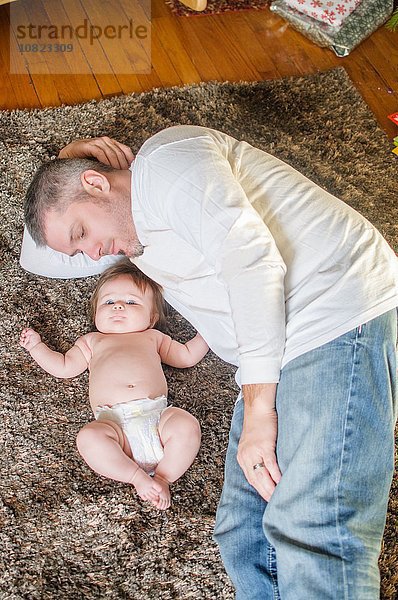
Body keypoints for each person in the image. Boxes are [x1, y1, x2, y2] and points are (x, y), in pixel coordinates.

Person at [21, 126, 397, 599]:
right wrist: (64, 165)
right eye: (80, 249)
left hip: (331, 312)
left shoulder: (166, 163)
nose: (92, 254)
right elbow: (36, 259)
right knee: (244, 537)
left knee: (313, 529)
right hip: (271, 354)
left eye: (83, 233)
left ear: (98, 184)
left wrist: (260, 412)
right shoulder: (134, 236)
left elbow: (253, 262)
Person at [20, 259, 208, 511]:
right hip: (115, 428)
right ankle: (135, 477)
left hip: (157, 418)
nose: (118, 305)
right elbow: (64, 367)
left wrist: (209, 331)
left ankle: (163, 478)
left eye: (131, 302)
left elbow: (186, 356)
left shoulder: (153, 337)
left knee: (185, 423)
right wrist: (37, 348)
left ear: (152, 317)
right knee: (88, 437)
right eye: (108, 302)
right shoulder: (91, 342)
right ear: (95, 312)